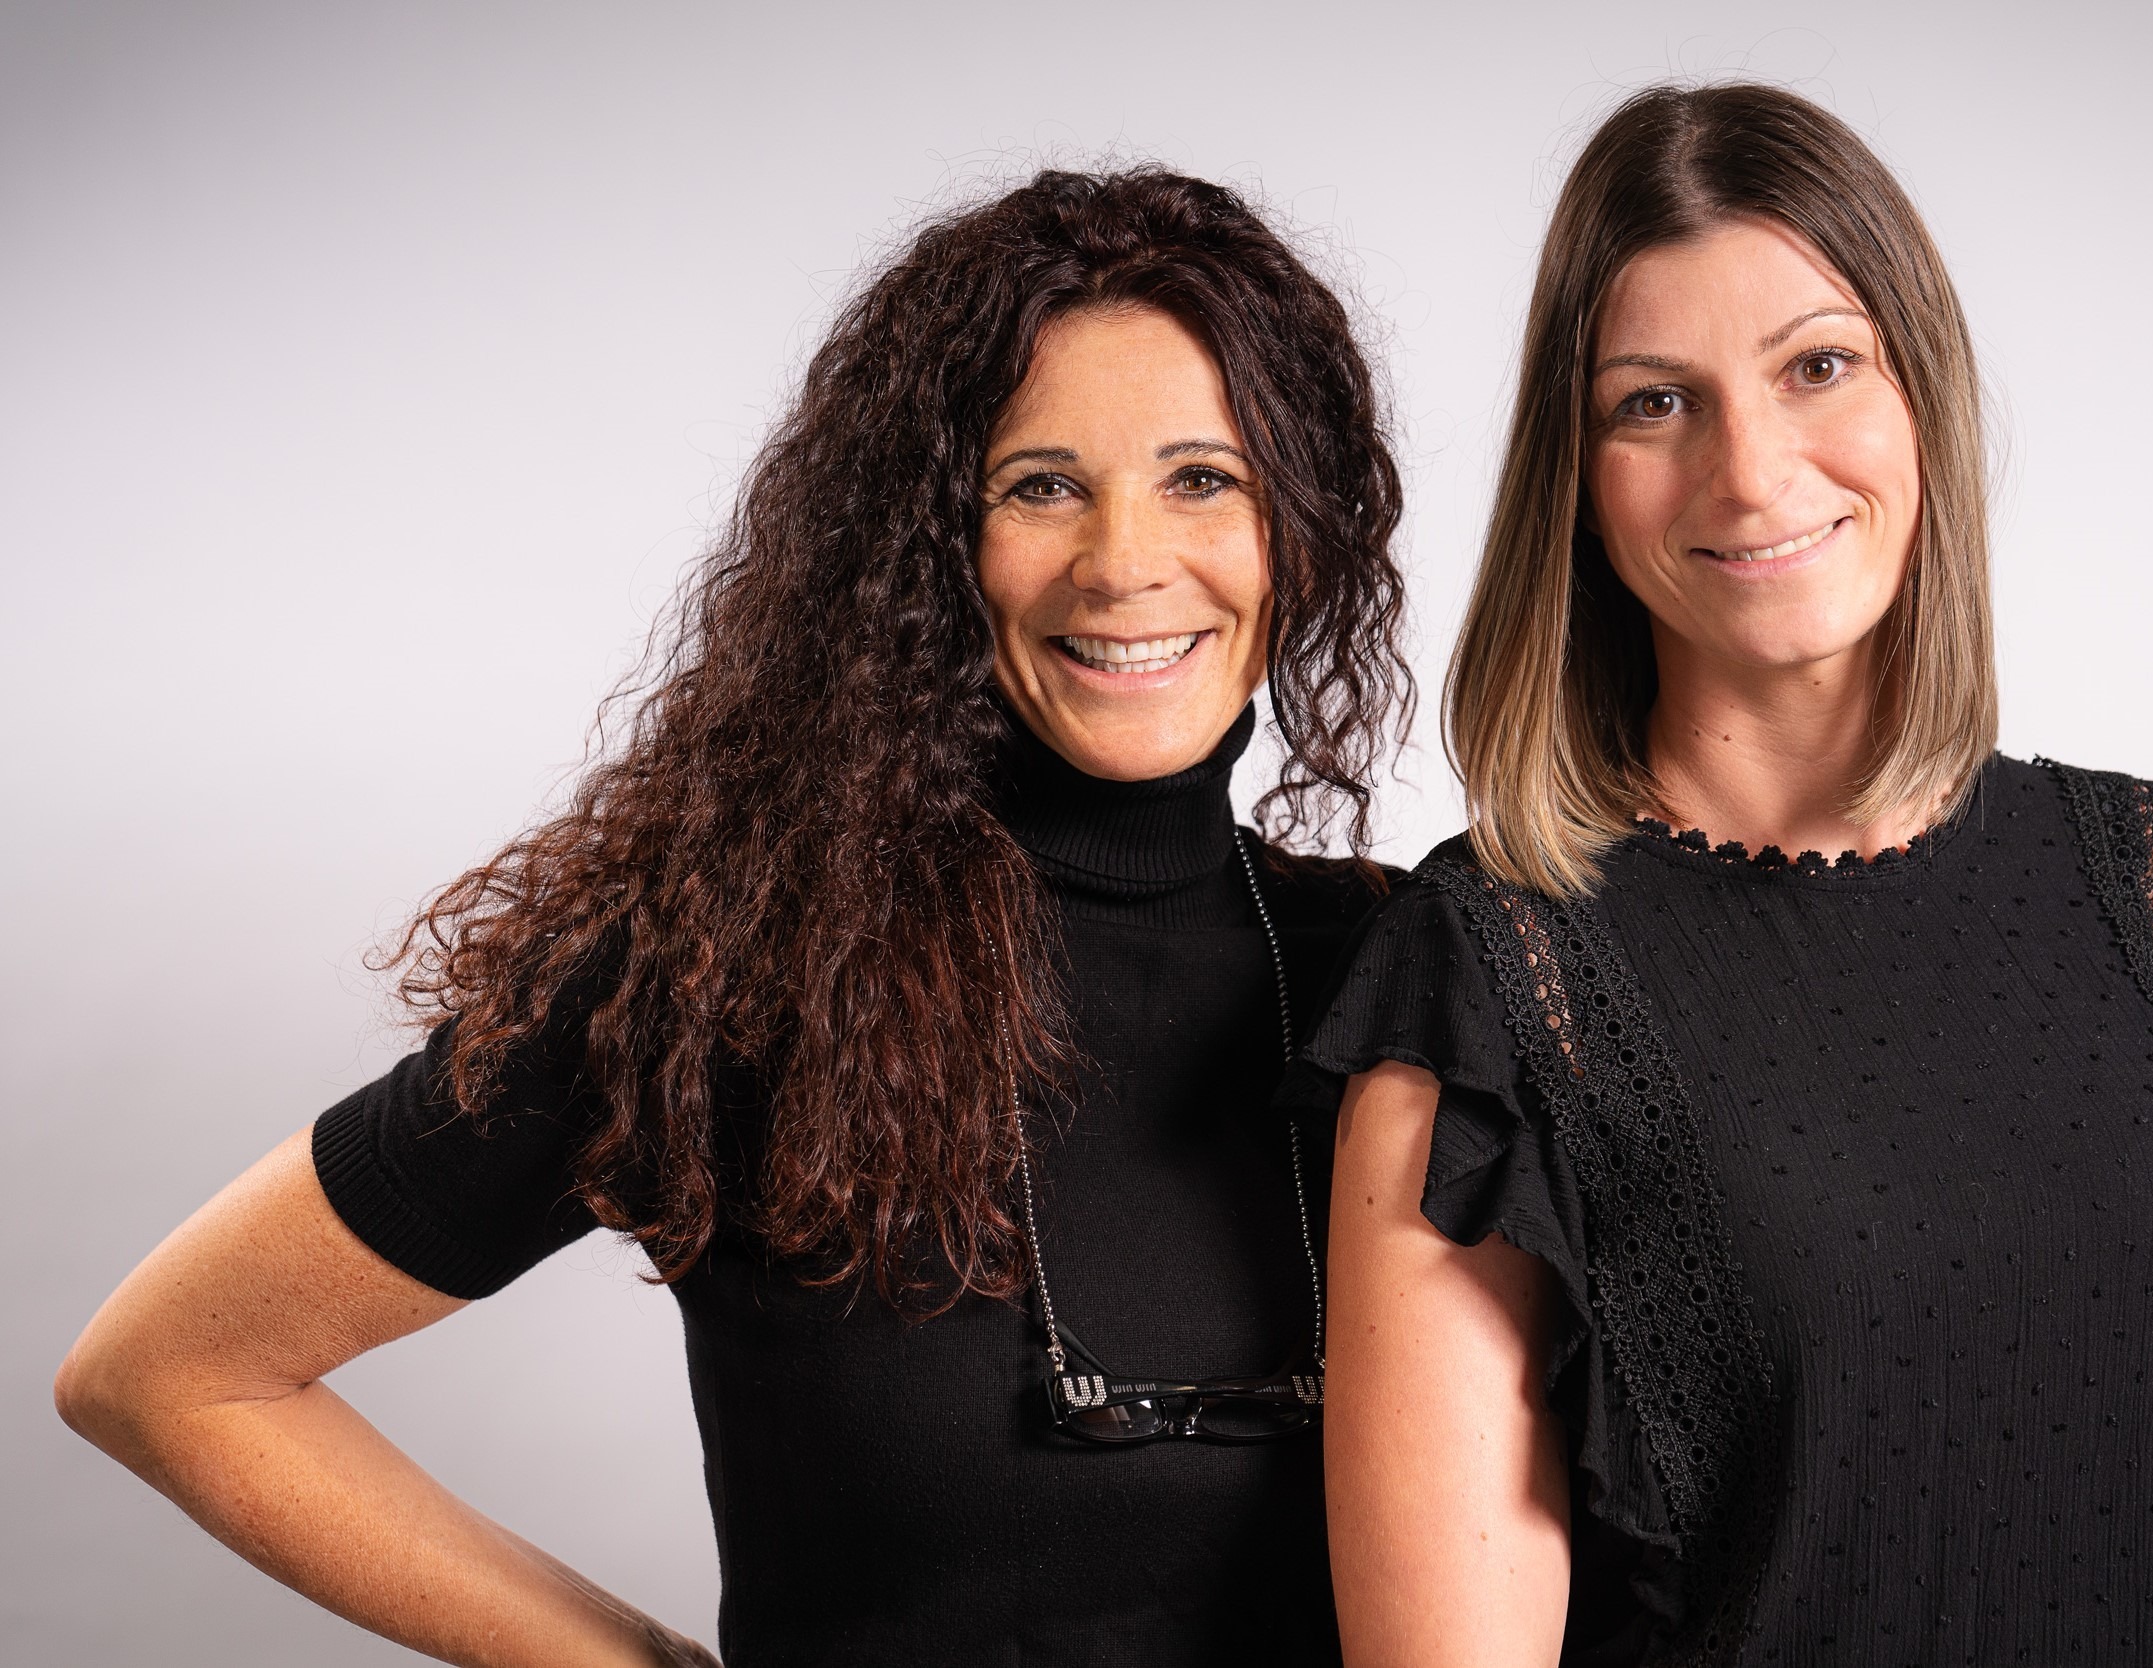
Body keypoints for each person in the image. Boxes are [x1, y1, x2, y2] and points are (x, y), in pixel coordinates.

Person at [56, 167, 1409, 1668]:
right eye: (1040, 485)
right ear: (925, 545)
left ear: (1304, 525)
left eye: (1203, 478)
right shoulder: (741, 973)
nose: (1125, 561)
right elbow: (172, 1370)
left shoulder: (1424, 974)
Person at [1310, 84, 2153, 1667]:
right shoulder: (1488, 987)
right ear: (1580, 477)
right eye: (1654, 402)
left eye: (1819, 365)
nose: (1752, 471)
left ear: (1923, 394)